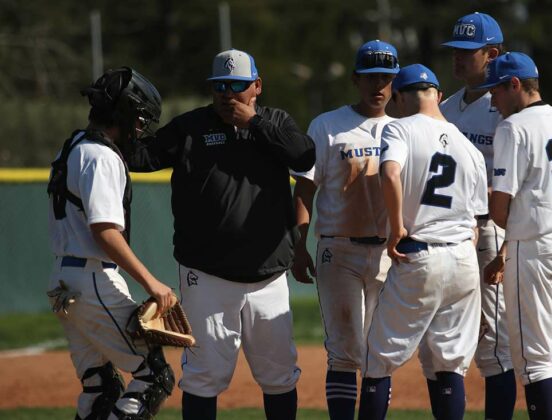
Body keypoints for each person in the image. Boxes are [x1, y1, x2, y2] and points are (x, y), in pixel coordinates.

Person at [121, 49, 315, 420]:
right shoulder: (192, 127)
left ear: (257, 87)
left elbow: (303, 155)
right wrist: (118, 130)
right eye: (220, 87)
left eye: (238, 86)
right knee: (203, 377)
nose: (228, 94)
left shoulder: (275, 123)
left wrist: (253, 123)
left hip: (267, 276)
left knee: (278, 375)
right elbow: (141, 158)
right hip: (206, 274)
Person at [357, 64, 488, 420]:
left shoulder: (399, 127)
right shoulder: (468, 146)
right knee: (449, 362)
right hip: (462, 258)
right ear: (439, 96)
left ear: (398, 96)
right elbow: (477, 220)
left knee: (378, 359)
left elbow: (390, 171)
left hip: (420, 253)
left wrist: (397, 227)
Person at [46, 67, 176, 419]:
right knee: (155, 377)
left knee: (100, 387)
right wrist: (152, 283)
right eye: (139, 119)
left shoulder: (73, 144)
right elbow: (104, 231)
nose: (140, 129)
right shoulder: (101, 156)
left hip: (65, 280)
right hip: (92, 280)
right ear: (124, 113)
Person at [480, 52, 552, 419]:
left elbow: (500, 209)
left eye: (495, 90)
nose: (492, 101)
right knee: (547, 356)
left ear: (515, 85)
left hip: (536, 248)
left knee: (532, 363)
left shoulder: (514, 127)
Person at [291, 39, 398, 420]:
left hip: (389, 252)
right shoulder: (328, 125)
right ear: (356, 79)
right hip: (339, 250)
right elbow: (305, 187)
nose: (378, 86)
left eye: (386, 77)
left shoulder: (403, 128)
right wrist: (299, 244)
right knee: (343, 350)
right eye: (370, 77)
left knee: (379, 350)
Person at [440, 12, 516, 418]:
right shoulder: (446, 108)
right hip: (450, 235)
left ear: (492, 53)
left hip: (489, 230)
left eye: (467, 52)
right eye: (455, 51)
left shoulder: (504, 106)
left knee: (494, 341)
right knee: (449, 336)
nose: (458, 59)